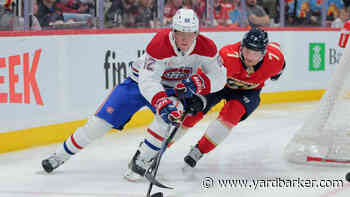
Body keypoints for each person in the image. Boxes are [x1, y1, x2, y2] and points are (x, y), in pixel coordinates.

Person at [41, 8, 227, 174]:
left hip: (172, 89)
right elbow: (148, 80)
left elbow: (220, 78)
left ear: (197, 33)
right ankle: (59, 155)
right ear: (173, 31)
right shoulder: (160, 43)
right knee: (98, 125)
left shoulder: (207, 47)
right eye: (180, 33)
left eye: (190, 33)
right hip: (137, 84)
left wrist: (199, 83)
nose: (185, 39)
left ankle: (142, 160)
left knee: (170, 116)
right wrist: (161, 101)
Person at [176, 28, 285, 169]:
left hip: (248, 93)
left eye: (255, 53)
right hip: (219, 85)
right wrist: (196, 96)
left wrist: (277, 74)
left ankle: (199, 151)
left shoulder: (276, 60)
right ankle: (159, 146)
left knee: (231, 115)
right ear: (241, 47)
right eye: (247, 51)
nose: (250, 57)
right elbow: (206, 77)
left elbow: (281, 65)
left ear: (264, 53)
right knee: (192, 113)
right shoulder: (227, 56)